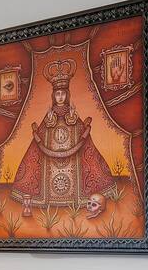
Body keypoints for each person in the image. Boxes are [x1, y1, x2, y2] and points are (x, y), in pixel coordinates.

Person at [9, 58, 115, 217]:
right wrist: (37, 134)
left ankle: (77, 198)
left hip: (73, 159)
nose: (60, 97)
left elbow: (83, 137)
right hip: (49, 160)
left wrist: (85, 130)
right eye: (57, 94)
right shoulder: (49, 117)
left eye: (63, 93)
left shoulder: (73, 116)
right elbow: (40, 138)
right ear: (54, 95)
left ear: (67, 94)